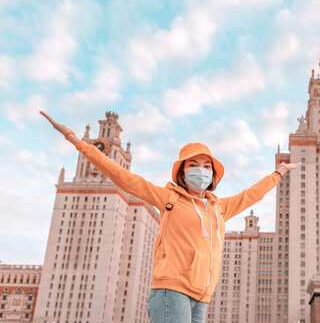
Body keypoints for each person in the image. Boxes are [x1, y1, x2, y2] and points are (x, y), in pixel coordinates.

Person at [40, 111, 301, 323]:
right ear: (182, 172)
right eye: (194, 165)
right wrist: (75, 140)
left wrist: (278, 173)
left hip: (201, 297)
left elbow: (252, 194)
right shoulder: (169, 199)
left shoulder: (219, 207)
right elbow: (121, 176)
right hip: (171, 292)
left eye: (206, 166)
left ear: (213, 175)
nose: (201, 170)